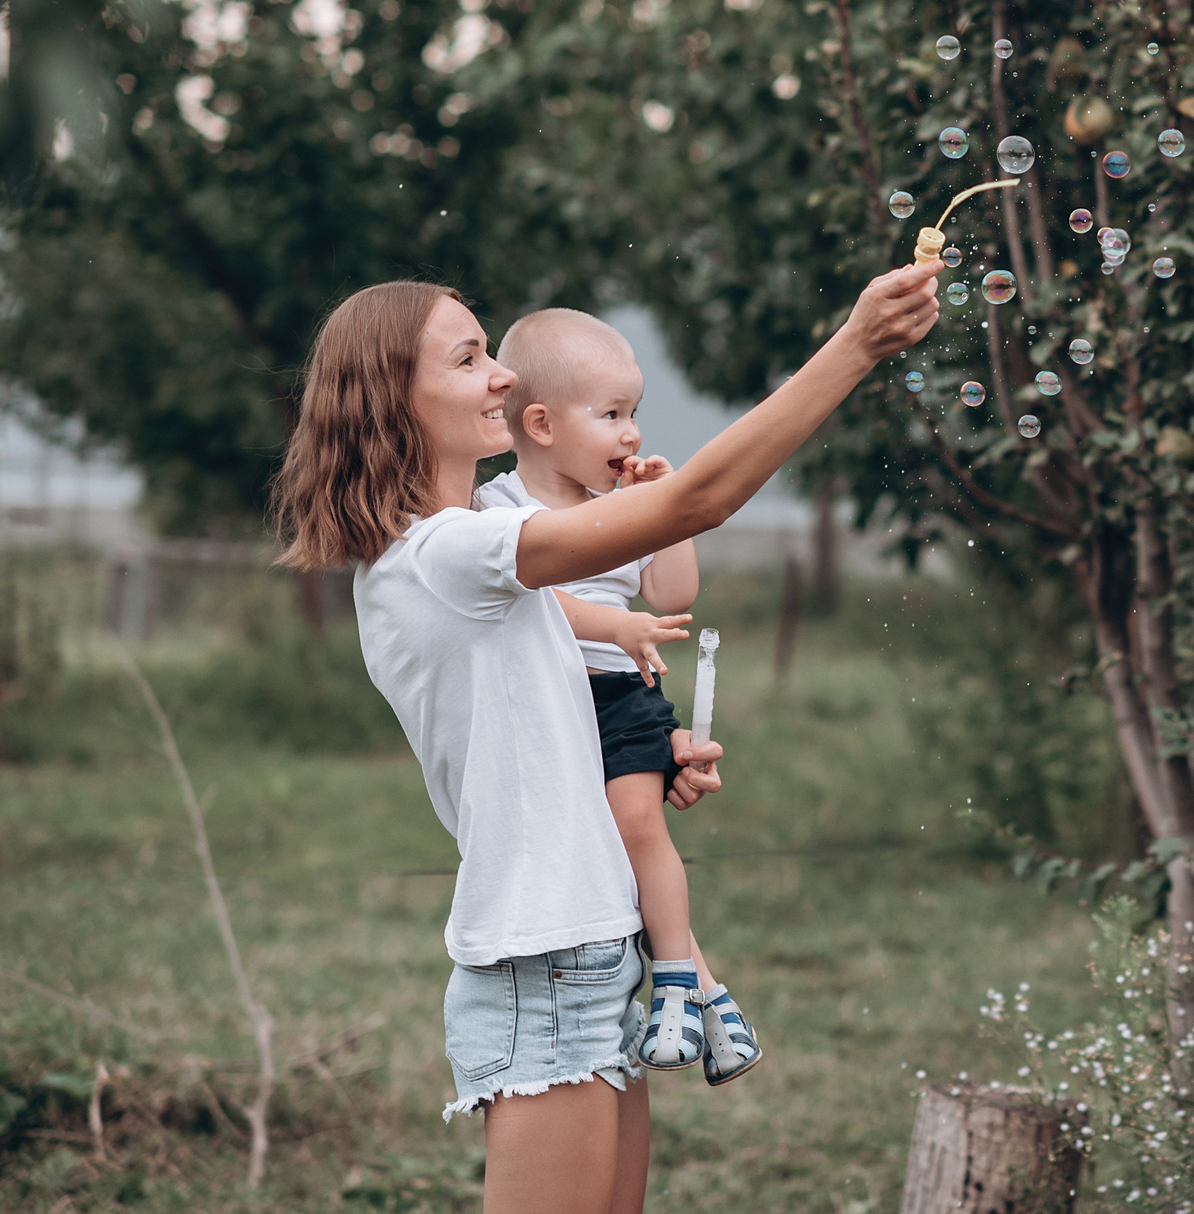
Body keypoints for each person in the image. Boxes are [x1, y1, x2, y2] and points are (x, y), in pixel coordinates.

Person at [273, 263, 938, 1214]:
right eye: (468, 359)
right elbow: (694, 501)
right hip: (546, 964)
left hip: (591, 946)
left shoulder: (470, 545)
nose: (503, 375)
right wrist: (858, 344)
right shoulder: (448, 552)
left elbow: (534, 719)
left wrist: (641, 759)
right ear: (394, 399)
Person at [475, 308, 757, 1085]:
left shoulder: (626, 503)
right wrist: (615, 624)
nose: (631, 432)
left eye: (634, 412)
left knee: (636, 826)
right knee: (605, 857)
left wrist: (667, 516)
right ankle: (713, 999)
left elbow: (673, 592)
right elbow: (528, 600)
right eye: (610, 414)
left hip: (620, 697)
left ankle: (674, 983)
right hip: (547, 704)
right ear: (541, 423)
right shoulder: (497, 510)